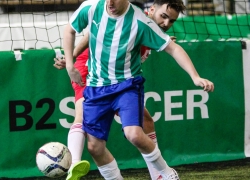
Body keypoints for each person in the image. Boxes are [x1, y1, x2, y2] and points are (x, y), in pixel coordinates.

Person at [63, 0, 214, 179]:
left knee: (139, 128)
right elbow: (87, 34)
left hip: (124, 84)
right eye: (163, 17)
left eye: (171, 21)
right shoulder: (98, 10)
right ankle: (74, 164)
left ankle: (162, 174)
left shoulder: (143, 25)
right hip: (90, 72)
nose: (166, 23)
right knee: (88, 132)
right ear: (152, 10)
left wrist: (195, 77)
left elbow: (172, 48)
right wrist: (70, 60)